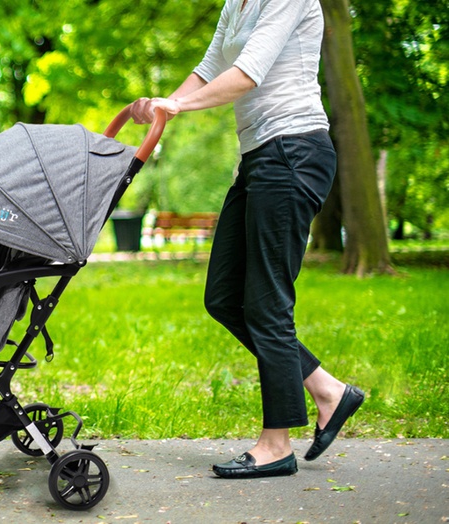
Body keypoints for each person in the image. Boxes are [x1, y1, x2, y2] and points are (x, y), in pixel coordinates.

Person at [131, 0, 364, 479]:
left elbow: (246, 74)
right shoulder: (234, 3)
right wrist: (164, 104)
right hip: (259, 157)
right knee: (223, 297)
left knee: (267, 305)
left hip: (294, 149)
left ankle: (276, 444)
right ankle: (327, 390)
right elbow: (210, 67)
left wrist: (179, 105)